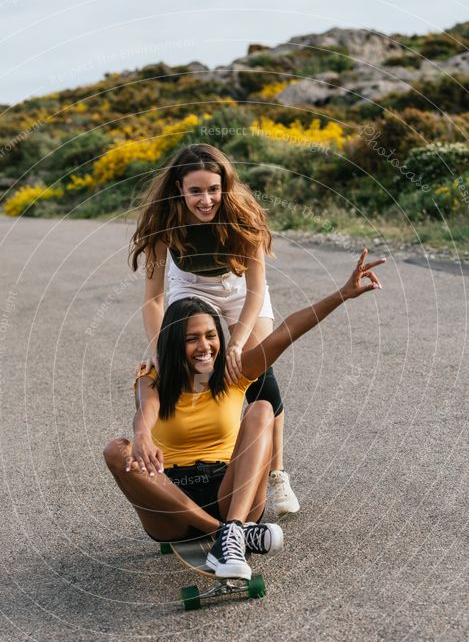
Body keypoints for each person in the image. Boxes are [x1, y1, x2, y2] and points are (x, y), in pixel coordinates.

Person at [103, 249, 385, 580]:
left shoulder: (234, 373)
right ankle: (228, 533)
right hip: (171, 504)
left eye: (210, 335)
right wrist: (142, 436)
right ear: (172, 343)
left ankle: (234, 526)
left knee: (262, 408)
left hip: (231, 492)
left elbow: (286, 330)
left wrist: (342, 294)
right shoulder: (153, 376)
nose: (205, 346)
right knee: (115, 450)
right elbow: (146, 410)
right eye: (192, 339)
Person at [128, 142, 300, 517]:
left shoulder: (245, 217)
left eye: (213, 189)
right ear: (179, 189)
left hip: (238, 289)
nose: (206, 200)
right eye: (195, 191)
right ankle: (199, 459)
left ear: (225, 186)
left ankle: (277, 473)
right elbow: (153, 299)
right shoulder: (164, 225)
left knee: (257, 369)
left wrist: (237, 342)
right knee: (189, 364)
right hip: (189, 285)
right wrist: (159, 346)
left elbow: (255, 291)